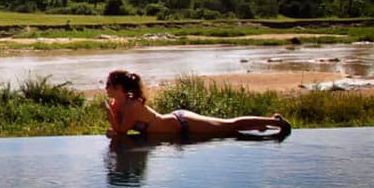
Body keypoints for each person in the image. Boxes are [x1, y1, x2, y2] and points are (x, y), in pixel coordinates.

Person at [104, 69, 290, 140]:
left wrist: (108, 114)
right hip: (179, 127)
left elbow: (120, 131)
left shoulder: (132, 105)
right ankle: (259, 125)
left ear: (119, 87)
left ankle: (277, 122)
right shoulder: (119, 104)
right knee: (228, 131)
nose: (106, 87)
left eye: (108, 84)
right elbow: (120, 131)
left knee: (228, 126)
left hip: (184, 124)